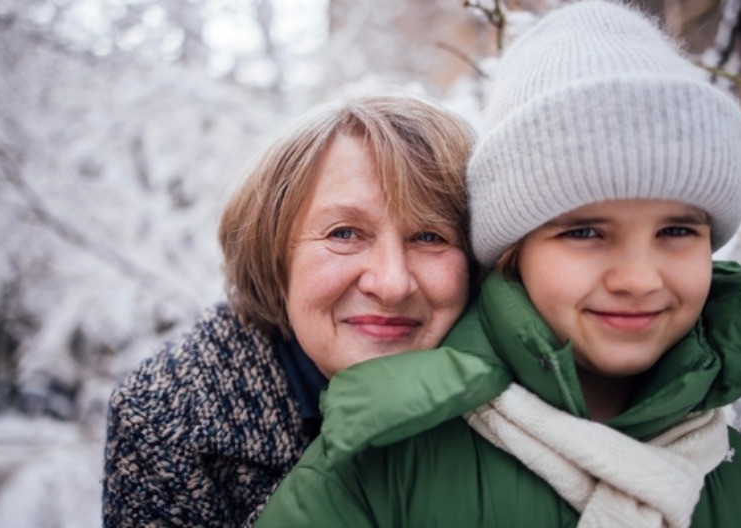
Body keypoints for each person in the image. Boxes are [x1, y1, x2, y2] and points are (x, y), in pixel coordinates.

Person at [257, 2, 741, 526]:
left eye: (676, 231)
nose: (638, 279)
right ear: (511, 251)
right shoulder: (378, 469)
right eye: (584, 232)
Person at [101, 93, 478, 527]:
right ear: (275, 254)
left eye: (430, 236)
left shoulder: (539, 383)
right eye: (344, 233)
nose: (391, 284)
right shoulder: (165, 419)